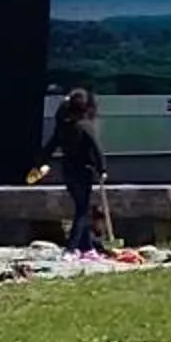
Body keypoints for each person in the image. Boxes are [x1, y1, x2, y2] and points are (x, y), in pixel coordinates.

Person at [33, 88, 108, 256]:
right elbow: (96, 148)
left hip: (67, 171)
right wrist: (102, 169)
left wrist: (40, 163)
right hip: (83, 171)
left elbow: (49, 148)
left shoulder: (63, 128)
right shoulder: (86, 126)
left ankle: (87, 248)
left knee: (81, 206)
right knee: (82, 211)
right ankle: (71, 248)